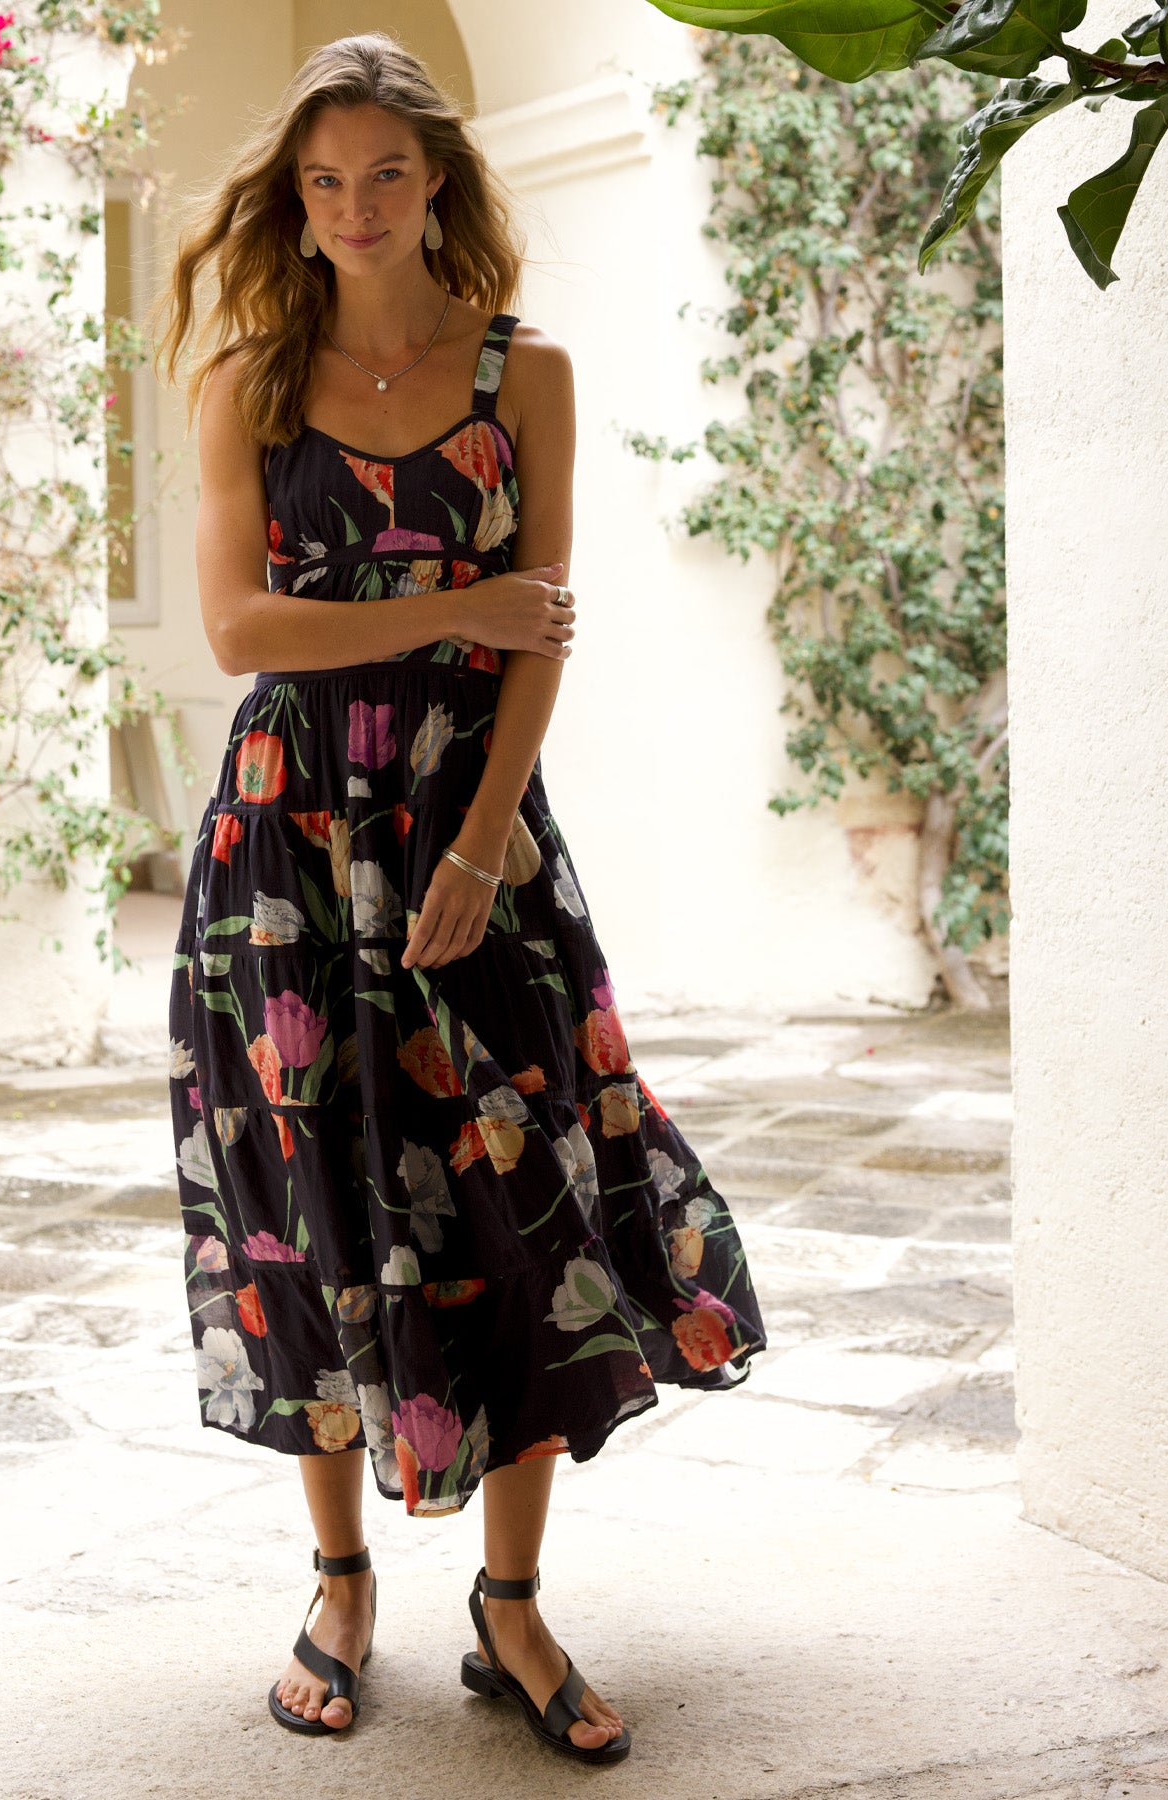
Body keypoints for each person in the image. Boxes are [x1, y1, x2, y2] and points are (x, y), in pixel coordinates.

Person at [154, 31, 765, 1766]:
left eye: (385, 174)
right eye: (323, 180)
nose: (353, 206)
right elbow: (243, 632)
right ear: (296, 200)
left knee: (522, 1187)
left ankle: (511, 1606)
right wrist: (450, 609)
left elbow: (540, 634)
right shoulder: (251, 381)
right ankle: (340, 1583)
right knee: (308, 1202)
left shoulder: (525, 375)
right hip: (284, 842)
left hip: (472, 817)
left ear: (437, 183)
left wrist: (486, 845)